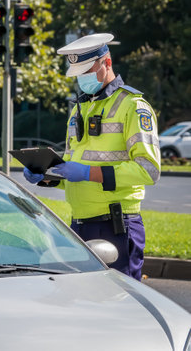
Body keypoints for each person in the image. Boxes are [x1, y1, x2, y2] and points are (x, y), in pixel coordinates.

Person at [23, 33, 161, 281]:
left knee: (119, 305)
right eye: (78, 74)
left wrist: (88, 173)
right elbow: (73, 168)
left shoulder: (134, 106)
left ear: (107, 63)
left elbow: (148, 169)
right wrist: (47, 175)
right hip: (80, 224)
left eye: (87, 71)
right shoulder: (80, 109)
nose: (81, 79)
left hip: (117, 225)